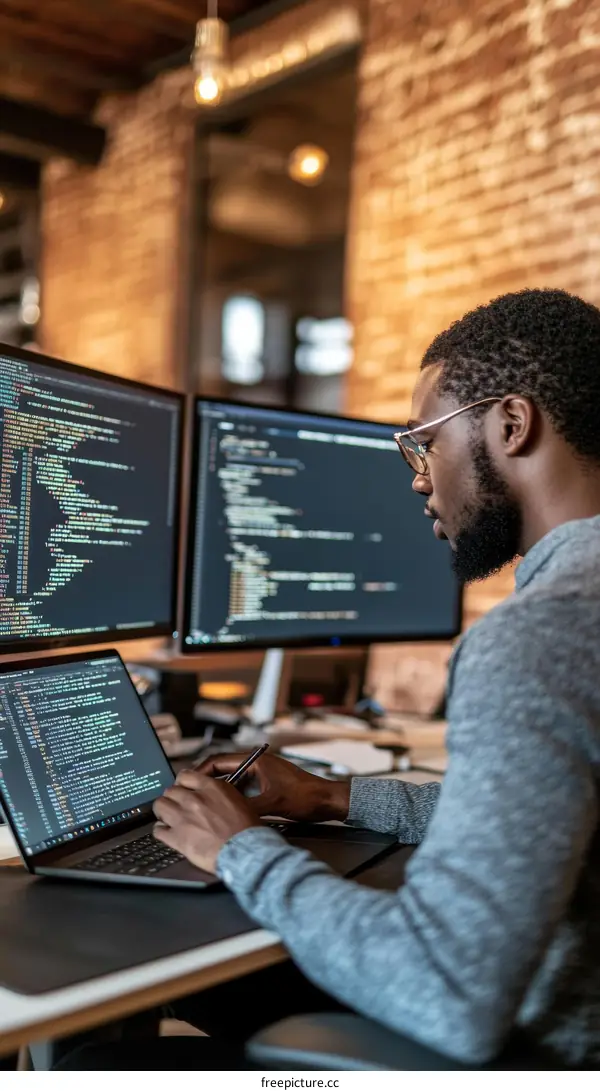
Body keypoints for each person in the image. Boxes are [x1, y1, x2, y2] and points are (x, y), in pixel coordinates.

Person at [64, 288, 600, 1069]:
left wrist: (241, 849)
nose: (419, 478)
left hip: (532, 1054)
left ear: (512, 424)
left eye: (424, 443)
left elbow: (448, 991)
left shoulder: (536, 636)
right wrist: (334, 795)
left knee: (93, 1070)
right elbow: (551, 807)